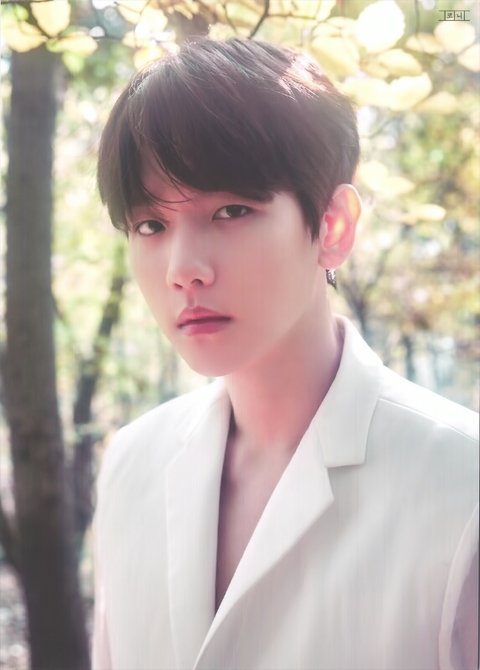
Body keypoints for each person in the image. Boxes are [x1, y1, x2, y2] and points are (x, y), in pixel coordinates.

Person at [92, 38, 478, 670]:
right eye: (151, 226)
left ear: (333, 226)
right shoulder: (132, 463)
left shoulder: (461, 484)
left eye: (230, 211)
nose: (183, 269)